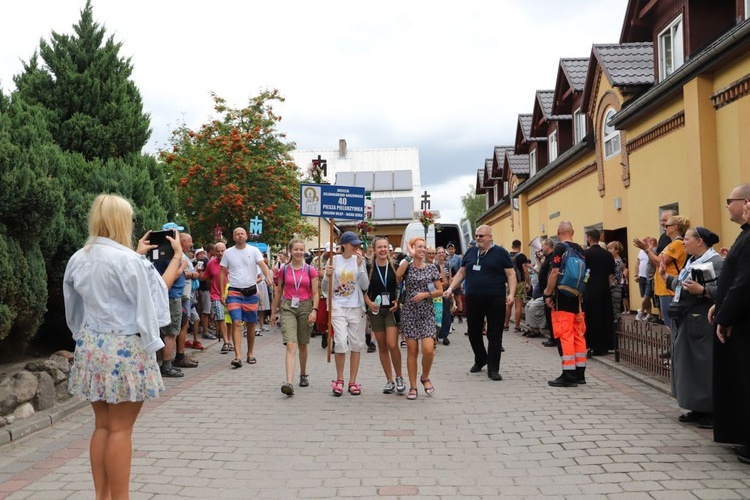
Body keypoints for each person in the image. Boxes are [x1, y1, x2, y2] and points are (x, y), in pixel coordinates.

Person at [64, 194, 184, 500]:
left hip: (92, 345)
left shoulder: (79, 257)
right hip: (125, 348)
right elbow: (154, 303)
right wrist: (177, 259)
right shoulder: (131, 262)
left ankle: (101, 496)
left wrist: (82, 335)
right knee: (120, 430)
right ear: (122, 222)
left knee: (102, 426)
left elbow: (73, 310)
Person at [659, 227, 722, 429]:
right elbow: (681, 285)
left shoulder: (715, 262)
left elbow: (723, 288)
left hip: (702, 320)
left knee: (702, 364)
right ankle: (696, 406)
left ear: (699, 242)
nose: (683, 243)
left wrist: (703, 290)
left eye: (686, 239)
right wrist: (665, 277)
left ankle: (710, 410)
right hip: (687, 319)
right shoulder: (692, 261)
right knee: (688, 364)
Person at [710, 185, 750, 464]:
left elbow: (744, 283)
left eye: (730, 201)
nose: (727, 206)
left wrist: (725, 315)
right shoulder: (744, 236)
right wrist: (720, 304)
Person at [444, 225, 515, 381]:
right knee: (474, 332)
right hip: (473, 297)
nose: (478, 238)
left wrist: (511, 293)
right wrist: (450, 288)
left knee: (494, 333)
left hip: (495, 298)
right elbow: (462, 272)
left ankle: (493, 368)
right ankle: (481, 358)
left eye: (481, 236)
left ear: (490, 237)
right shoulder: (471, 252)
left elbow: (510, 274)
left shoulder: (500, 253)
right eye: (476, 235)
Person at [322, 231, 370, 396]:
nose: (356, 247)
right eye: (353, 244)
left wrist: (360, 267)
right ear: (344, 245)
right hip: (338, 307)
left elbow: (365, 285)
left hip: (356, 307)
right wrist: (327, 277)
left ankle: (352, 381)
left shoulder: (359, 261)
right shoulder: (333, 260)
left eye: (357, 245)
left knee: (356, 344)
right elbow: (324, 288)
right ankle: (339, 379)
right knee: (341, 343)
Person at [271, 238, 319, 396]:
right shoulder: (284, 269)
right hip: (288, 307)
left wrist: (315, 310)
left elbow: (315, 292)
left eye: (301, 249)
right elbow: (278, 291)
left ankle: (303, 374)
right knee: (291, 345)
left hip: (305, 306)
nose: (298, 252)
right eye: (295, 249)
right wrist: (273, 312)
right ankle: (289, 382)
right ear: (290, 251)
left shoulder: (310, 270)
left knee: (303, 344)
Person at [220, 227, 273, 368]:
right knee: (236, 322)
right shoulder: (228, 253)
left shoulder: (253, 251)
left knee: (251, 324)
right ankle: (238, 356)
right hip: (234, 292)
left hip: (250, 292)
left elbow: (262, 265)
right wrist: (221, 292)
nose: (239, 236)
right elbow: (222, 273)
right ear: (233, 237)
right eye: (237, 234)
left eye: (242, 233)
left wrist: (267, 276)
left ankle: (250, 353)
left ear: (246, 236)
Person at [397, 237, 443, 400]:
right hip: (409, 313)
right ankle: (413, 386)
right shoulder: (407, 266)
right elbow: (397, 277)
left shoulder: (431, 268)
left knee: (429, 350)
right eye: (419, 246)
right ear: (413, 249)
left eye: (424, 247)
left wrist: (426, 294)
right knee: (412, 351)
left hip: (426, 313)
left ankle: (425, 376)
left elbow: (439, 290)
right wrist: (409, 257)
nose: (422, 249)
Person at [543, 221, 588, 387]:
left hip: (562, 295)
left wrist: (548, 293)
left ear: (558, 232)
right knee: (578, 333)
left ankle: (568, 374)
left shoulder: (560, 248)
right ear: (573, 231)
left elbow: (555, 272)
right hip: (577, 297)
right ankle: (580, 373)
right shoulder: (581, 250)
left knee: (565, 334)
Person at [364, 237, 404, 394]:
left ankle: (400, 376)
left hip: (391, 310)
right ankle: (389, 380)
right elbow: (362, 289)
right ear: (374, 249)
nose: (382, 250)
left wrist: (398, 302)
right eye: (379, 247)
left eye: (385, 247)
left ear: (389, 249)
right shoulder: (369, 267)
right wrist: (368, 302)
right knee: (381, 346)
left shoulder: (394, 266)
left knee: (392, 344)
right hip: (375, 310)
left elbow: (402, 286)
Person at [583, 229, 615, 356]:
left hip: (591, 287)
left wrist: (585, 283)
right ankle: (606, 344)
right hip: (604, 287)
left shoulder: (586, 254)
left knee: (592, 316)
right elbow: (610, 274)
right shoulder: (607, 254)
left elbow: (585, 272)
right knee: (605, 315)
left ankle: (592, 344)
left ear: (589, 238)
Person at [203, 242, 230, 352]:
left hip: (230, 293)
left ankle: (229, 340)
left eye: (222, 251)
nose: (220, 253)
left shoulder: (231, 262)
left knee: (230, 319)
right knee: (220, 317)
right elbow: (206, 278)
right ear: (214, 251)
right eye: (217, 251)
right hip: (216, 295)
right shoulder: (210, 263)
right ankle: (226, 342)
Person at [525, 238, 554, 340]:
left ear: (548, 246)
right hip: (541, 292)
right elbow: (542, 270)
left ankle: (540, 330)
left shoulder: (551, 258)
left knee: (536, 309)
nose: (541, 248)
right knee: (528, 306)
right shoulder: (547, 258)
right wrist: (538, 259)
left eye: (543, 246)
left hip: (546, 292)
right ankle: (532, 328)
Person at [505, 240, 530, 333]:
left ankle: (506, 325)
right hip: (520, 282)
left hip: (510, 282)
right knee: (518, 304)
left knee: (508, 304)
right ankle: (517, 327)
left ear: (512, 246)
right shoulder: (522, 256)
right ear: (520, 246)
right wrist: (528, 283)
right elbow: (526, 271)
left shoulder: (507, 255)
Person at [435, 246, 453, 345]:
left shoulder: (448, 265)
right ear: (436, 254)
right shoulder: (433, 265)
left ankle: (445, 335)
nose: (441, 254)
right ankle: (436, 334)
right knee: (437, 314)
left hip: (446, 291)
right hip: (436, 292)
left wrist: (451, 290)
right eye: (439, 252)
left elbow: (449, 278)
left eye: (443, 252)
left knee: (446, 313)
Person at [635, 237, 656, 321]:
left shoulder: (652, 251)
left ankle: (641, 311)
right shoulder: (640, 252)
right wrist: (636, 275)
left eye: (645, 241)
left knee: (647, 297)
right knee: (645, 297)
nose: (642, 242)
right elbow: (637, 264)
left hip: (650, 277)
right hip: (641, 277)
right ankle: (649, 314)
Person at [607, 241, 625, 324]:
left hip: (616, 286)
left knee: (616, 306)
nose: (608, 250)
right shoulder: (615, 260)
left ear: (616, 250)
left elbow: (615, 275)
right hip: (615, 285)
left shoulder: (617, 261)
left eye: (610, 249)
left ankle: (617, 324)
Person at [446, 242, 463, 322]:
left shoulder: (458, 258)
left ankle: (460, 315)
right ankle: (451, 315)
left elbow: (461, 269)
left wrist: (460, 282)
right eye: (449, 249)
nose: (451, 250)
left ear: (455, 250)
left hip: (456, 280)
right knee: (450, 299)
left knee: (458, 298)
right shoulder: (447, 259)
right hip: (449, 281)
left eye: (452, 249)